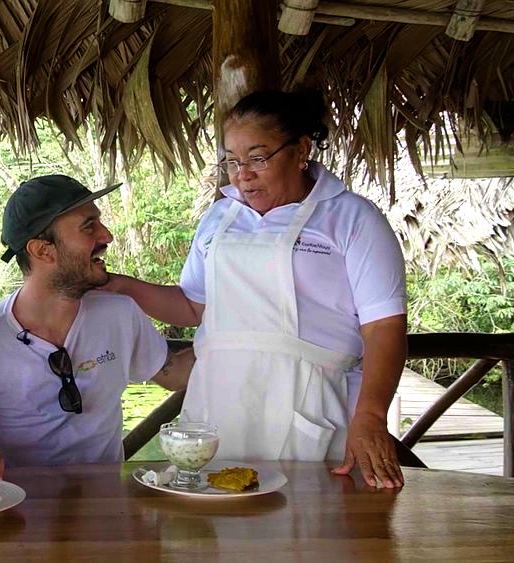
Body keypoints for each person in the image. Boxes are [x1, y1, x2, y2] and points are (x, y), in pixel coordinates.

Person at [108, 90, 408, 488]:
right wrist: (119, 285)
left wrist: (370, 415)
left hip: (310, 402)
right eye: (232, 161)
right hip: (217, 402)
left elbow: (384, 326)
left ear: (302, 150)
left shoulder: (351, 218)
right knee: (210, 516)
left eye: (258, 158)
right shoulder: (220, 217)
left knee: (307, 518)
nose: (242, 174)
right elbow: (193, 307)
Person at [0, 174, 194, 469]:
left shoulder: (120, 314)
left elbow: (175, 375)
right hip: (18, 498)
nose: (107, 236)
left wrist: (233, 329)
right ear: (42, 250)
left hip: (107, 496)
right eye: (89, 226)